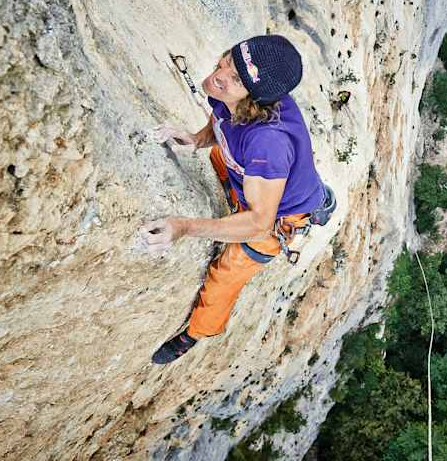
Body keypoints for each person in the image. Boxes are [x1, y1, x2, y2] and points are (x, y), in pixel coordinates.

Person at [141, 35, 334, 364]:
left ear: (252, 100)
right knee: (220, 157)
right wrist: (197, 140)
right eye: (227, 61)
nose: (220, 75)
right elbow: (219, 119)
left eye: (234, 78)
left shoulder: (268, 143)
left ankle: (197, 332)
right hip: (250, 180)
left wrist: (184, 227)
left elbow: (259, 224)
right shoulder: (231, 91)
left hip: (276, 218)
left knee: (226, 274)